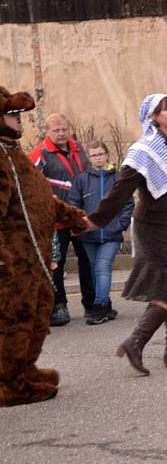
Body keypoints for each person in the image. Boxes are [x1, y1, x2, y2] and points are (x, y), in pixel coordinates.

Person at [86, 94, 167, 376]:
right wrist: (97, 219)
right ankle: (136, 342)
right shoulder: (145, 149)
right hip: (155, 228)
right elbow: (122, 187)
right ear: (152, 116)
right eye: (165, 109)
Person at [0, 86, 87, 406]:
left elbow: (41, 199)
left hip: (33, 256)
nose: (19, 120)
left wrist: (74, 216)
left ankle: (24, 368)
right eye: (11, 114)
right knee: (16, 319)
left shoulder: (14, 153)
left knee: (39, 311)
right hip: (13, 261)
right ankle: (10, 385)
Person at [28, 113, 94, 326]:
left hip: (80, 216)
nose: (61, 133)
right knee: (57, 263)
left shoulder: (79, 150)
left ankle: (92, 304)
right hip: (55, 219)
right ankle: (59, 307)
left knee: (88, 260)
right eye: (56, 130)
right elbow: (29, 181)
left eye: (64, 129)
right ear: (47, 132)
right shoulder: (40, 153)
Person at [67, 141, 133, 325]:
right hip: (89, 234)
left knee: (102, 267)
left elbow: (127, 204)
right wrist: (81, 224)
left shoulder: (118, 178)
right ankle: (107, 306)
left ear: (107, 155)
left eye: (100, 154)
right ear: (88, 158)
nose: (97, 158)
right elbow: (74, 204)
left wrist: (119, 224)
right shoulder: (82, 180)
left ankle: (100, 306)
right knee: (95, 270)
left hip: (111, 234)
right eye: (93, 155)